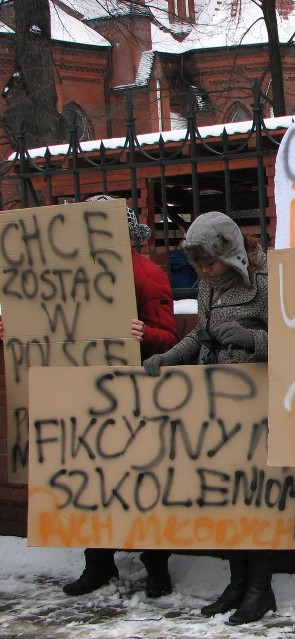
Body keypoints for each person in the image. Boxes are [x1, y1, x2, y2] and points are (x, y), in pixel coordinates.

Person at [10, 194, 180, 598]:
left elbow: (170, 339)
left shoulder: (146, 273)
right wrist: (17, 331)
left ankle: (157, 567)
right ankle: (98, 563)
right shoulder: (67, 270)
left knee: (144, 481)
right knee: (92, 481)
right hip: (85, 395)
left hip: (134, 394)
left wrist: (145, 335)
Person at [141, 211, 273, 625]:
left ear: (231, 253)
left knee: (257, 500)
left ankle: (260, 589)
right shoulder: (207, 286)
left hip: (256, 411)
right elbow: (200, 336)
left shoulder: (266, 285)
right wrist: (169, 358)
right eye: (197, 265)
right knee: (229, 500)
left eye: (209, 263)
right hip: (215, 409)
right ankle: (236, 584)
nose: (203, 271)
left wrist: (254, 338)